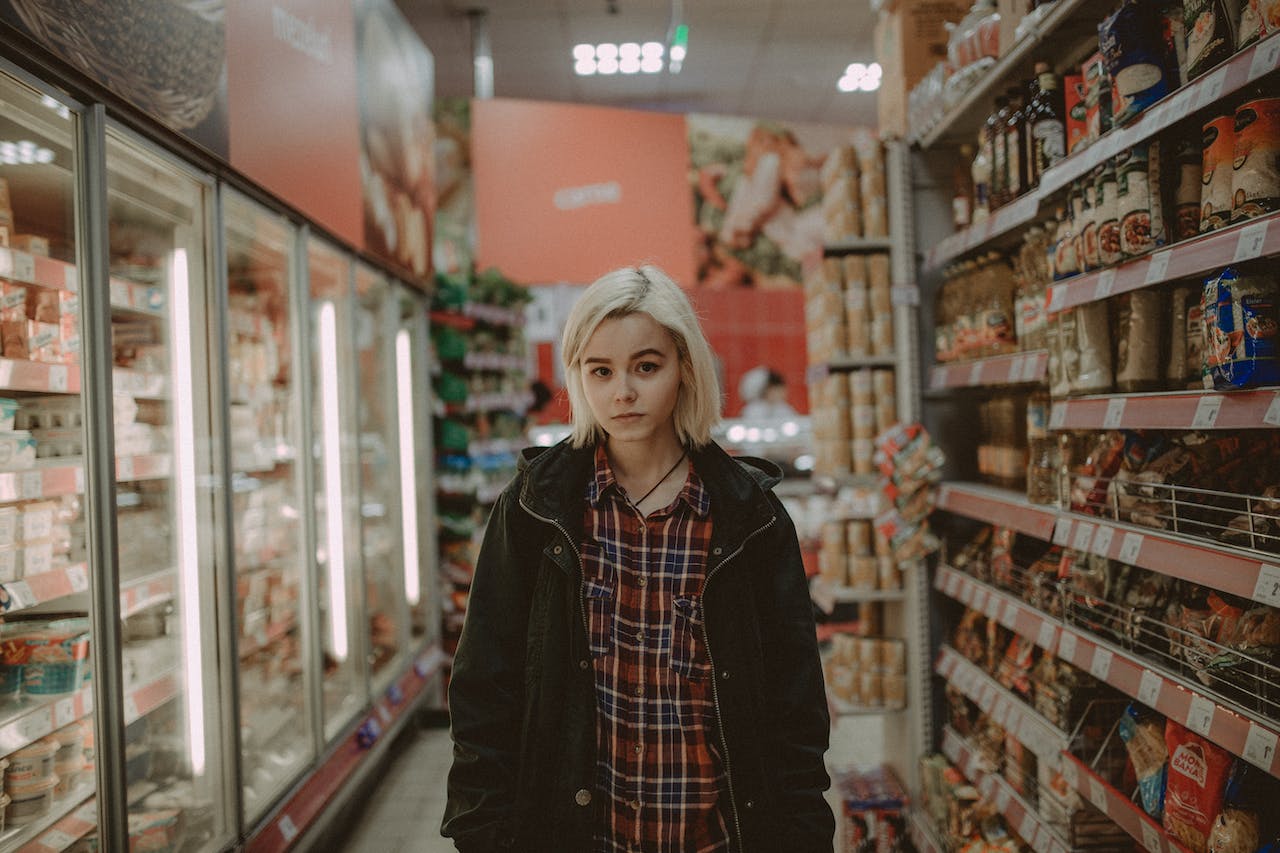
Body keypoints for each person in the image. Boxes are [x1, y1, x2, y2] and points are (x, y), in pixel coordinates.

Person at [442, 265, 834, 852]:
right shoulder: (535, 509)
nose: (622, 392)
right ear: (578, 377)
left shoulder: (748, 518)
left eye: (646, 367)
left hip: (717, 837)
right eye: (600, 371)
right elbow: (483, 687)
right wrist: (482, 833)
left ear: (684, 368)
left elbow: (793, 703)